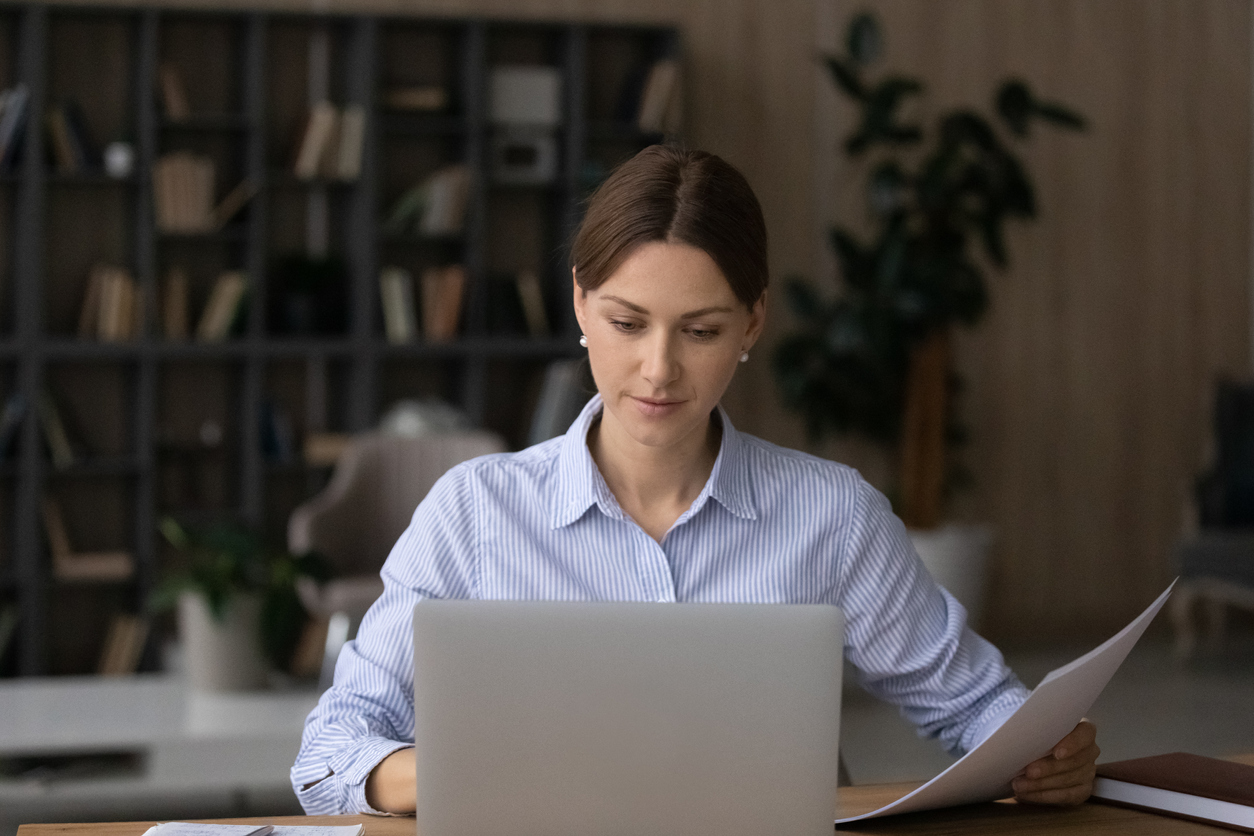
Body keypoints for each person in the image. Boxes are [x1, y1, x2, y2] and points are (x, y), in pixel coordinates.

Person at [291, 145, 1099, 816]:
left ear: (753, 322)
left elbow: (975, 705)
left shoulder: (831, 513)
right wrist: (479, 773)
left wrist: (1046, 753)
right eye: (627, 322)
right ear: (580, 304)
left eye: (701, 331)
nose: (658, 369)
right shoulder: (475, 512)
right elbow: (328, 757)